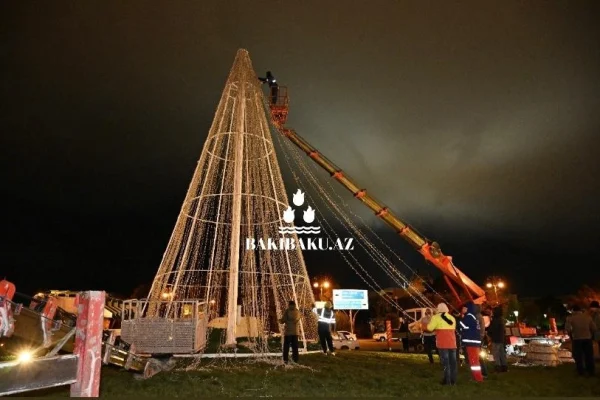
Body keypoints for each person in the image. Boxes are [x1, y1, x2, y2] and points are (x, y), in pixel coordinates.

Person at [424, 303, 457, 385]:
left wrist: (423, 326)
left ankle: (447, 381)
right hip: (452, 343)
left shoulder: (436, 317)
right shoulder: (452, 318)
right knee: (453, 363)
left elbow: (430, 328)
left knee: (446, 363)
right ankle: (453, 380)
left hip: (442, 343)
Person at [565, 305, 596, 376]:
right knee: (589, 355)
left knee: (578, 356)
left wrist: (571, 334)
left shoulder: (570, 318)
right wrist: (590, 334)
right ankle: (591, 371)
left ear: (573, 311)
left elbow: (568, 329)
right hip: (587, 338)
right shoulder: (588, 317)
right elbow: (594, 328)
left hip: (577, 338)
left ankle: (580, 371)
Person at [459, 301, 484, 382]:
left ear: (468, 308)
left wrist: (460, 319)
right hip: (475, 341)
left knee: (474, 361)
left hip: (471, 342)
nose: (462, 309)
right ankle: (476, 377)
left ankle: (478, 378)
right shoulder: (473, 317)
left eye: (464, 308)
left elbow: (463, 325)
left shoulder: (469, 316)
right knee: (474, 360)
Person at [488, 306, 508, 372]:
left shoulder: (495, 320)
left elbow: (492, 329)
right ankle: (504, 366)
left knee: (496, 353)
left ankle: (498, 367)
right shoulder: (501, 319)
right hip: (501, 338)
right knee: (501, 353)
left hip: (496, 339)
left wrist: (489, 333)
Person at [474, 304, 489, 377]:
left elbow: (476, 327)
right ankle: (482, 372)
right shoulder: (480, 316)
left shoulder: (477, 317)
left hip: (477, 337)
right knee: (478, 355)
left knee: (478, 356)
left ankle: (483, 372)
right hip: (480, 337)